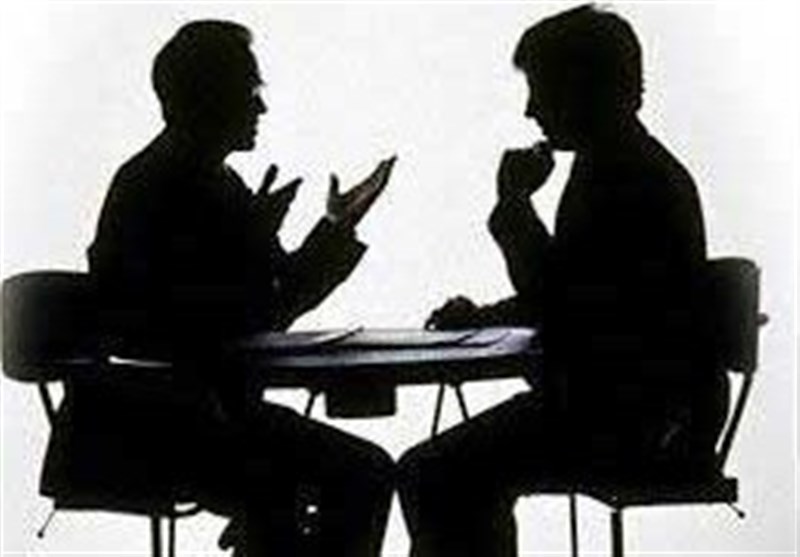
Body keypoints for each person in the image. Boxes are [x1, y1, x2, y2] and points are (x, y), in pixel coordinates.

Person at [40, 20, 395, 557]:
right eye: (250, 91)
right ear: (210, 96)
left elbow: (266, 306)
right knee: (361, 475)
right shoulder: (178, 188)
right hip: (168, 426)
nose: (261, 107)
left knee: (330, 481)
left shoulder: (185, 180)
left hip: (183, 418)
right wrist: (264, 247)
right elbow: (238, 318)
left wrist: (332, 228)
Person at [397, 6, 729, 557]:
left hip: (627, 416)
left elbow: (564, 304)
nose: (531, 110)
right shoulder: (626, 168)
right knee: (444, 473)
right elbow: (581, 289)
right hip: (649, 408)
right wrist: (486, 315)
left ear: (585, 87)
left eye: (542, 89)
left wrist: (513, 206)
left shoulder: (624, 180)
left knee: (434, 474)